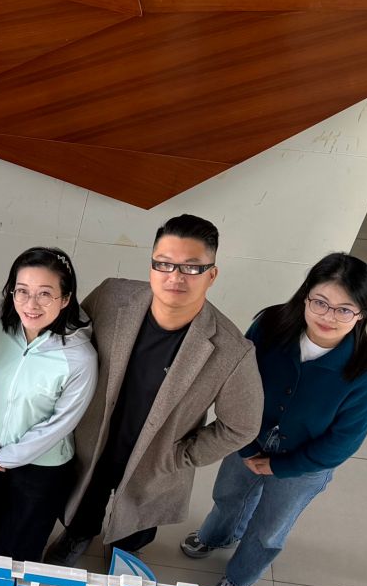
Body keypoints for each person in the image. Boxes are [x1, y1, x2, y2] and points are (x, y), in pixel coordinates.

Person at [46, 214, 263, 563]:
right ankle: (78, 535)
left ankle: (123, 553)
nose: (175, 276)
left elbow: (242, 425)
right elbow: (70, 344)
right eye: (164, 263)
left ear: (211, 274)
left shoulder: (231, 351)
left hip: (155, 459)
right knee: (83, 500)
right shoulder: (111, 296)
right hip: (95, 439)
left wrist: (181, 456)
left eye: (191, 267)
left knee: (136, 524)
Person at [180, 252, 367, 586]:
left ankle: (240, 577)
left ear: (361, 314)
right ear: (305, 296)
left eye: (344, 310)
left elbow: (342, 443)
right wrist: (246, 445)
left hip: (304, 466)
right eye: (320, 303)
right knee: (228, 494)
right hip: (248, 438)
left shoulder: (365, 374)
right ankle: (217, 536)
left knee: (270, 527)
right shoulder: (270, 325)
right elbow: (234, 384)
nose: (328, 317)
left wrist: (280, 467)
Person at [0, 247, 98, 562]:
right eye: (22, 291)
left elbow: (63, 422)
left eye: (45, 294)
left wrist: (10, 457)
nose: (30, 304)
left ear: (65, 299)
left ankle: (11, 580)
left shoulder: (80, 358)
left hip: (42, 463)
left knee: (24, 533)